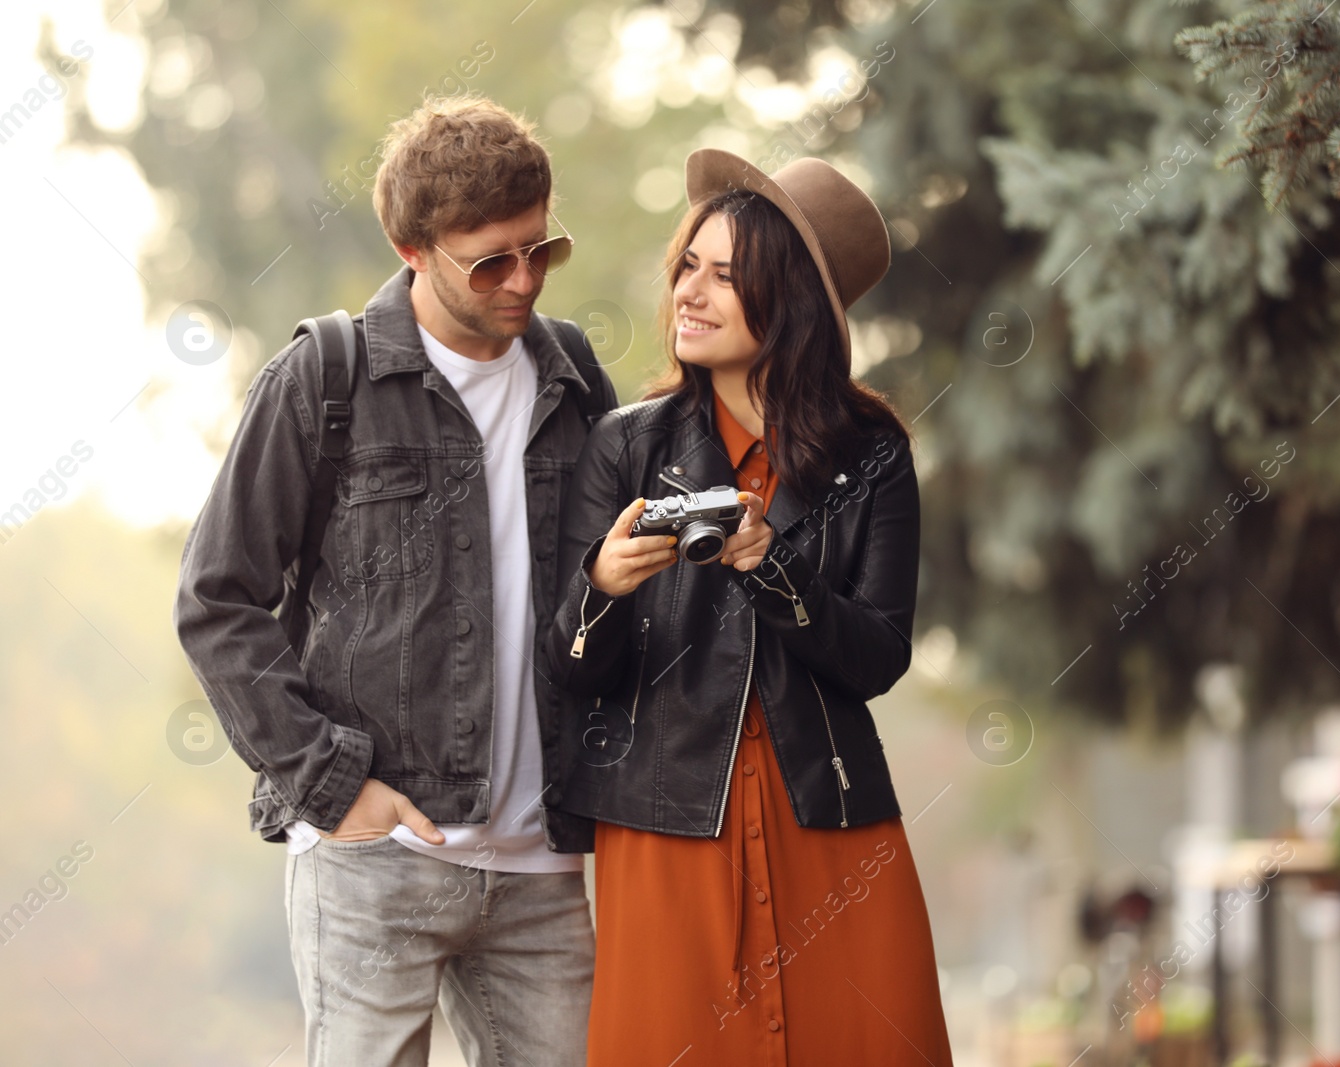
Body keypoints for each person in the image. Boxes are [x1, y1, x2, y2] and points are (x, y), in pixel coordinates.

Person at [172, 96, 613, 1066]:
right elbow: (215, 597)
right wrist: (334, 786)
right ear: (411, 249)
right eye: (490, 259)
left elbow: (604, 600)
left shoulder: (573, 377)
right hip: (376, 862)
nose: (524, 279)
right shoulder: (323, 377)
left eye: (542, 249)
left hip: (544, 865)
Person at [546, 148, 954, 1066]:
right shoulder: (624, 445)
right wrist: (603, 586)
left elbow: (878, 656)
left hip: (832, 822)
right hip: (668, 834)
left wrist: (772, 568)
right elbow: (571, 666)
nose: (689, 292)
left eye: (726, 276)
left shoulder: (873, 453)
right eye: (688, 265)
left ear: (793, 301)